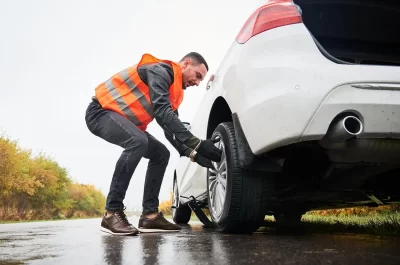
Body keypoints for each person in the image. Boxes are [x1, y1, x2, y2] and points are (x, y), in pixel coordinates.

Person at [85, 52, 222, 236]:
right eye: (197, 75)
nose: (197, 83)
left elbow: (170, 129)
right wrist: (198, 144)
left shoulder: (174, 93)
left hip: (122, 121)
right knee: (138, 141)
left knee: (161, 154)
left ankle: (149, 217)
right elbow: (163, 112)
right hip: (100, 112)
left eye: (200, 79)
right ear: (186, 64)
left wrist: (194, 154)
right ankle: (111, 213)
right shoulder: (160, 71)